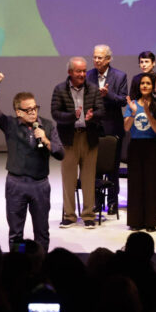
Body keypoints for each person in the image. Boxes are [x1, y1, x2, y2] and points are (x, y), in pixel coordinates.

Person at [0, 71, 64, 251]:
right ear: (18, 112)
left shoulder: (47, 125)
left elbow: (60, 153)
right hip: (16, 185)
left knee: (42, 232)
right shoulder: (10, 124)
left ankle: (40, 261)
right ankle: (18, 261)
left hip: (40, 185)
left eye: (35, 108)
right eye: (28, 110)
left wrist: (45, 140)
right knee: (16, 234)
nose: (33, 112)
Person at [51, 56, 104, 229]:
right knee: (69, 179)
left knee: (88, 179)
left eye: (84, 71)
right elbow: (55, 113)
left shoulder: (93, 89)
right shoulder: (60, 89)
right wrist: (72, 116)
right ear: (70, 72)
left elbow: (101, 111)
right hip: (69, 139)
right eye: (78, 71)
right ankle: (69, 216)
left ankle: (88, 215)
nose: (82, 74)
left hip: (89, 137)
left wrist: (93, 116)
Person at [86, 44, 127, 214]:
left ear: (108, 59)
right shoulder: (88, 75)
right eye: (94, 57)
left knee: (112, 168)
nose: (96, 60)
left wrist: (107, 95)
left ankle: (112, 202)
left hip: (112, 126)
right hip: (94, 126)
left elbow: (123, 100)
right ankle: (96, 201)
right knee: (94, 166)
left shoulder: (119, 76)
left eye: (100, 57)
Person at [123, 72, 156, 232]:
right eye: (142, 83)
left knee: (151, 185)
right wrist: (134, 112)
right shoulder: (132, 104)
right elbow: (126, 127)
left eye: (148, 83)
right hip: (135, 147)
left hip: (152, 147)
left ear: (152, 86)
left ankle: (151, 222)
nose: (145, 86)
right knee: (135, 184)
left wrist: (148, 112)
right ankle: (135, 221)